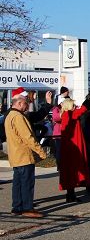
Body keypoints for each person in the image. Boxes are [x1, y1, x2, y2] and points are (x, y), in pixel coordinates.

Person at [4, 87, 47, 218]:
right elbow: (28, 137)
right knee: (27, 183)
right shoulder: (18, 117)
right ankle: (27, 208)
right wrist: (41, 152)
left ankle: (17, 207)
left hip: (16, 155)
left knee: (17, 183)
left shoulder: (9, 116)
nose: (27, 105)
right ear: (19, 103)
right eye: (25, 103)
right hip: (24, 155)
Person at [59, 97, 90, 203]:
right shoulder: (69, 115)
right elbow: (82, 109)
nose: (75, 107)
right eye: (73, 105)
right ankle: (71, 195)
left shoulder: (67, 115)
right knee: (72, 170)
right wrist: (88, 100)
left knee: (71, 171)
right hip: (72, 149)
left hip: (69, 148)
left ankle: (71, 194)